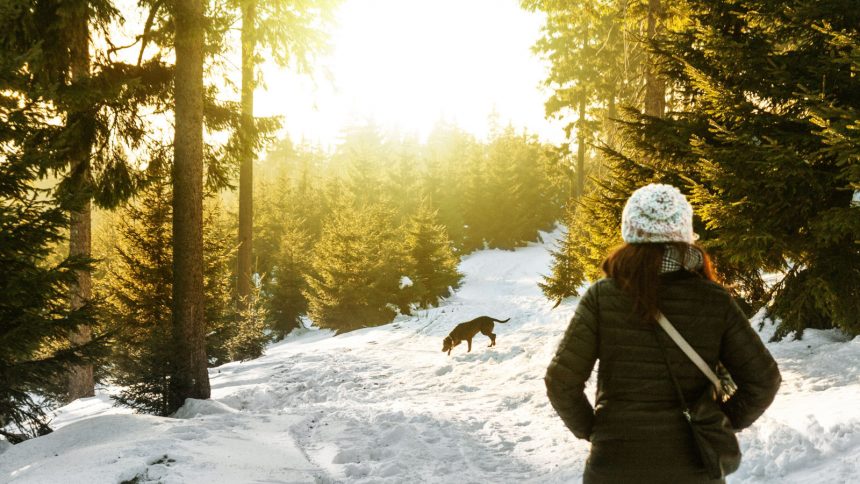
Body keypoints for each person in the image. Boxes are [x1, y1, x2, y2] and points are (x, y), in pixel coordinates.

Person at [545, 184, 781, 483]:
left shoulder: (602, 297)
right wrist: (718, 422)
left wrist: (593, 429)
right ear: (684, 234)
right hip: (694, 466)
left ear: (630, 232)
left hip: (614, 465)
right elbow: (763, 379)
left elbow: (561, 381)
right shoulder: (714, 299)